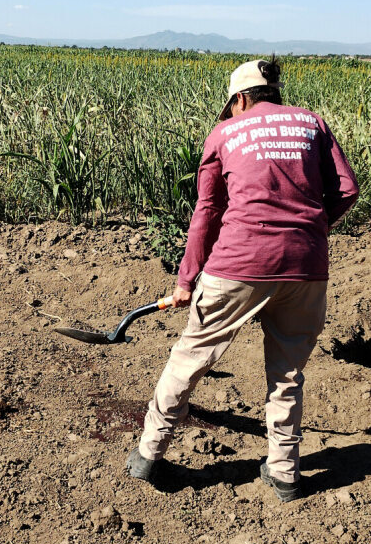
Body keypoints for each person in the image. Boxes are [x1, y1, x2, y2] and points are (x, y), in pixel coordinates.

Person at [125, 58, 359, 502]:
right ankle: (286, 473)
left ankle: (148, 456)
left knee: (189, 359)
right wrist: (311, 228)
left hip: (239, 262)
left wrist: (186, 279)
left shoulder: (225, 132)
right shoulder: (313, 124)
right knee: (287, 373)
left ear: (240, 98)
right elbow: (346, 189)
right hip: (306, 267)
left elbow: (207, 211)